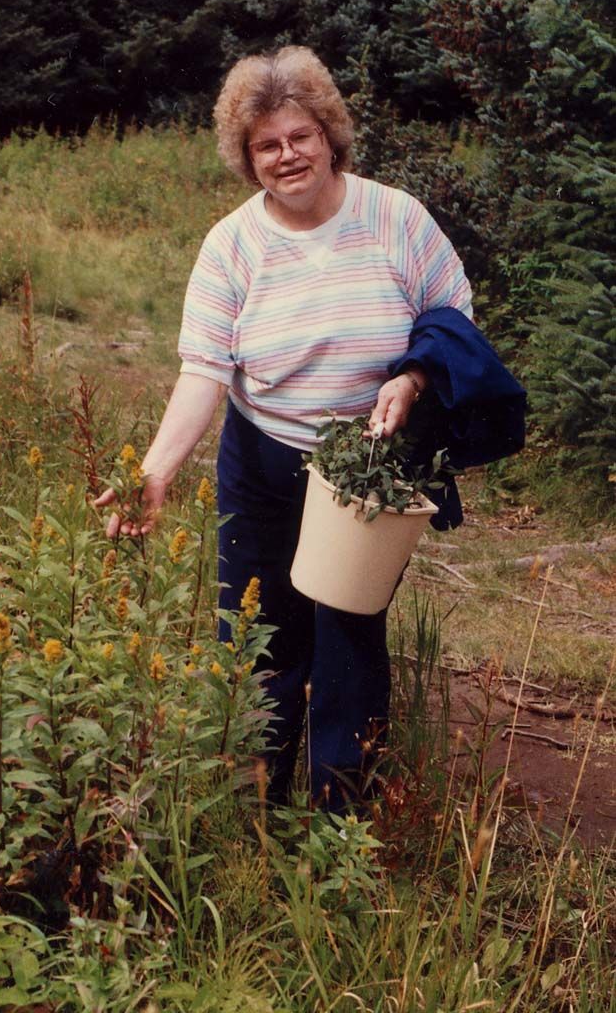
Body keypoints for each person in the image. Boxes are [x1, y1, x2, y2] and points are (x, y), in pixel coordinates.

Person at [94, 45, 474, 811]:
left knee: (347, 638)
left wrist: (411, 377)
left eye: (299, 135)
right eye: (265, 145)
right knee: (259, 637)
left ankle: (344, 820)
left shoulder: (396, 217)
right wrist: (158, 471)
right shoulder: (231, 245)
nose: (286, 155)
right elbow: (204, 371)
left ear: (330, 134)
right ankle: (255, 810)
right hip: (263, 463)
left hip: (367, 472)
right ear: (247, 158)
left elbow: (453, 321)